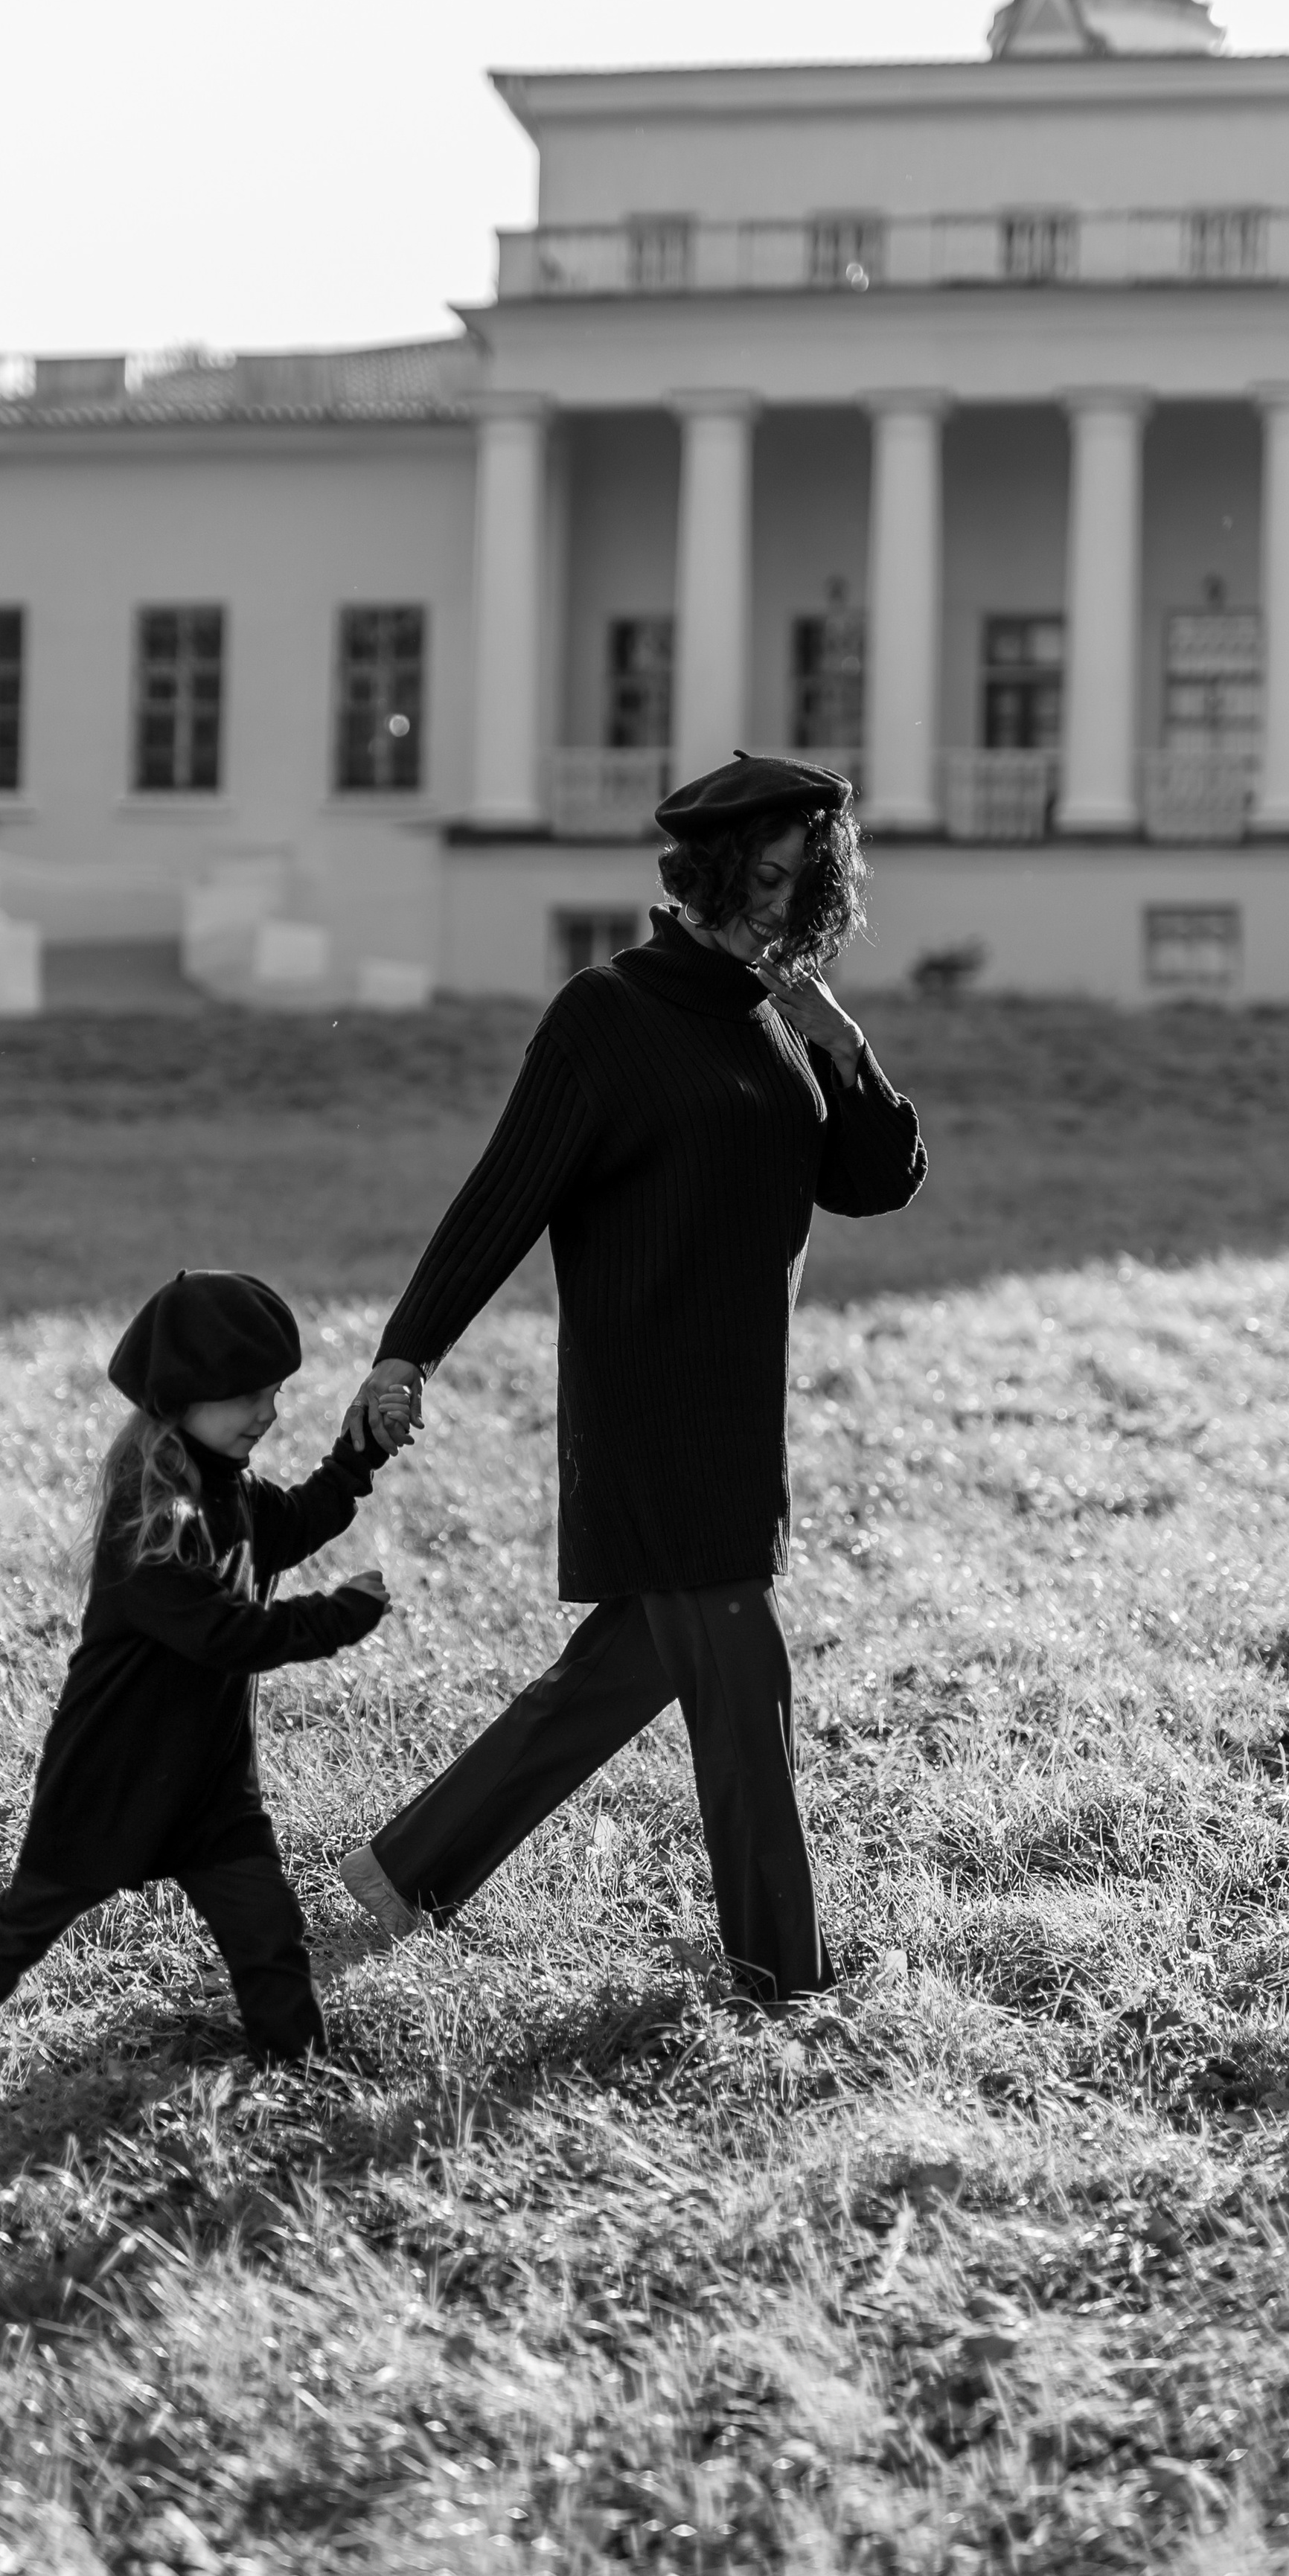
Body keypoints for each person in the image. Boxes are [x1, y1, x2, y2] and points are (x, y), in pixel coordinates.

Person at [338, 751, 927, 2003]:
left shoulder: (777, 1016)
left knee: (635, 1663)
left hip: (738, 1402)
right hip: (648, 1403)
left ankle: (410, 1871)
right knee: (740, 1667)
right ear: (709, 871)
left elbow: (876, 1180)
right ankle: (783, 1974)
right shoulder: (606, 1015)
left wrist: (840, 1039)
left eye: (804, 879)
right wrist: (408, 1351)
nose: (782, 903)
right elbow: (502, 1198)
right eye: (763, 876)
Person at [0, 1269, 391, 2066]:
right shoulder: (150, 1523)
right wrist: (337, 1616)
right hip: (113, 1774)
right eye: (246, 1396)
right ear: (183, 1395)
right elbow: (226, 1635)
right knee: (33, 1914)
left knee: (267, 1929)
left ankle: (295, 2065)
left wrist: (356, 1456)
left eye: (273, 1393)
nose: (266, 1413)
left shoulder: (231, 1490)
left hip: (207, 1784)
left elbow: (296, 1520)